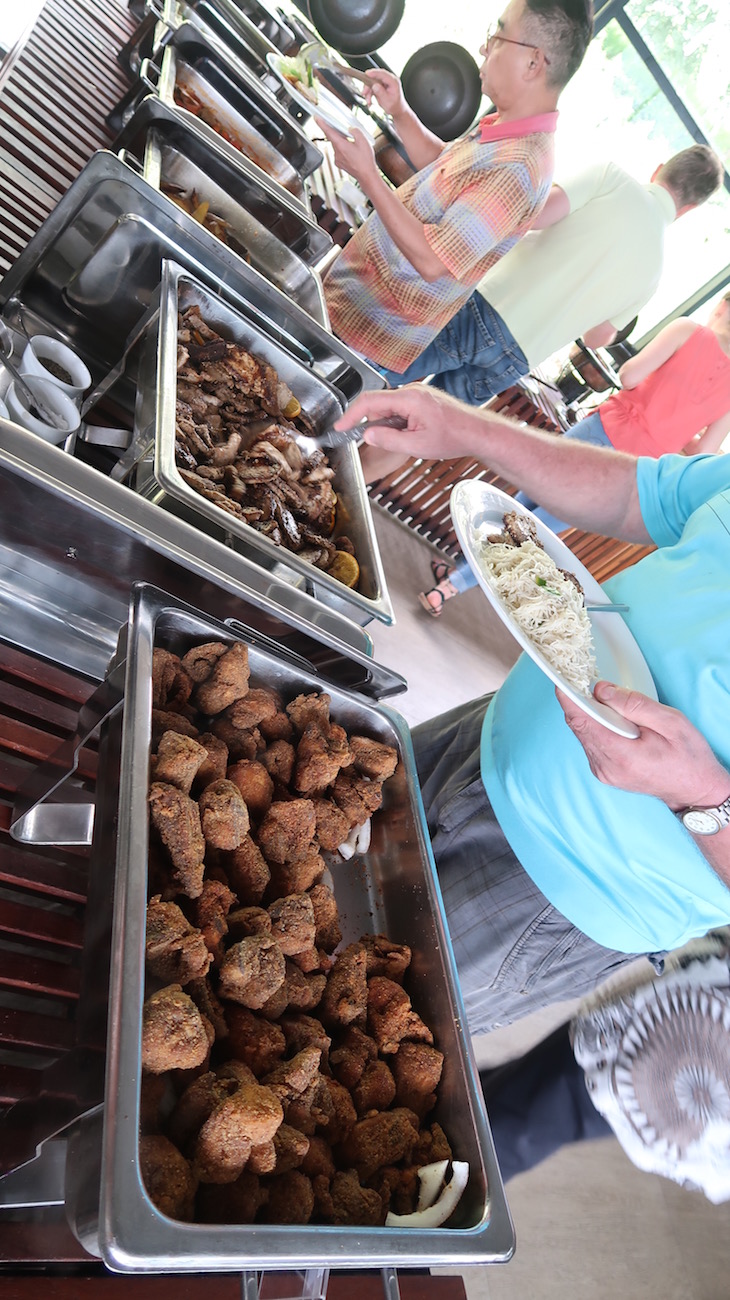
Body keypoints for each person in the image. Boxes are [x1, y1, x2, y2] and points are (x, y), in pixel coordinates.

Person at [331, 382, 730, 1034]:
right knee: (273, 860)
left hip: (560, 889)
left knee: (333, 1030)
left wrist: (702, 794)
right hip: (480, 738)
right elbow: (640, 495)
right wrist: (471, 431)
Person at [319, 0, 593, 453]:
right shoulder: (507, 125)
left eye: (499, 34)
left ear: (533, 61)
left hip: (369, 334)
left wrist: (368, 173)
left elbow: (433, 261)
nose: (485, 46)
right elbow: (446, 171)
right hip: (353, 300)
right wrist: (401, 113)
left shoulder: (523, 166)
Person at [422, 288, 730, 613]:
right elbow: (704, 451)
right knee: (537, 527)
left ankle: (454, 579)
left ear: (724, 303)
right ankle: (452, 582)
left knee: (522, 501)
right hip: (633, 469)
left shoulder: (687, 330)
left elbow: (629, 376)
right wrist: (674, 425)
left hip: (603, 428)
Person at [385, 145, 723, 402]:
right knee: (416, 421)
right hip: (518, 358)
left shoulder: (611, 177)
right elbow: (596, 338)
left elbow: (537, 215)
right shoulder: (656, 273)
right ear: (690, 209)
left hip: (489, 306)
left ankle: (331, 427)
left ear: (659, 170)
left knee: (385, 371)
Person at [483, 928, 730, 1203]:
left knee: (517, 1123)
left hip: (677, 1065)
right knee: (534, 1094)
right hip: (682, 1054)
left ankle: (449, 1194)